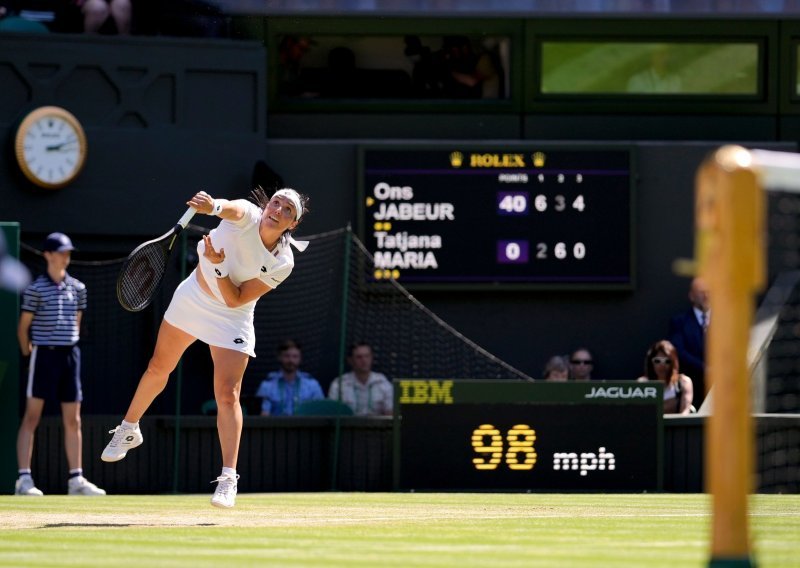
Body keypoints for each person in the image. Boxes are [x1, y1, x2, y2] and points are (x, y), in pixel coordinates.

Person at [100, 187, 309, 508]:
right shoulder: (246, 214)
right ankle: (129, 429)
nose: (278, 209)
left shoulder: (283, 261)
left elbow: (235, 298)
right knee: (158, 367)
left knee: (227, 395)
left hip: (233, 314)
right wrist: (212, 206)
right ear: (267, 206)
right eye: (276, 202)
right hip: (193, 298)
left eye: (287, 210)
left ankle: (228, 479)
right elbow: (229, 208)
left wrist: (219, 267)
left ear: (291, 224)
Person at [15, 232, 105, 496]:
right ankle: (24, 480)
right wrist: (29, 356)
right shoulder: (35, 290)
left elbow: (76, 322)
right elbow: (23, 330)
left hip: (70, 356)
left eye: (68, 252)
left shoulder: (78, 288)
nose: (66, 257)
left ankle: (76, 480)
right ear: (48, 255)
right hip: (43, 355)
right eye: (61, 252)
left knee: (73, 419)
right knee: (32, 417)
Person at [255, 339, 323, 416]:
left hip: (307, 427)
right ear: (279, 357)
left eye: (295, 356)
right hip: (275, 427)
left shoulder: (312, 385)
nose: (291, 360)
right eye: (287, 356)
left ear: (300, 358)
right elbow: (263, 416)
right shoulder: (267, 385)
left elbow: (320, 413)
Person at [668, 277, 709, 405]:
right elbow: (679, 351)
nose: (706, 296)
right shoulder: (679, 322)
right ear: (692, 296)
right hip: (692, 388)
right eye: (702, 292)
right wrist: (705, 368)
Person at [328, 342, 393, 416]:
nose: (364, 360)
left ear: (372, 358)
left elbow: (391, 413)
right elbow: (332, 414)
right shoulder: (339, 384)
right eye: (359, 357)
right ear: (350, 360)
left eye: (367, 356)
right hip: (347, 426)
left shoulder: (383, 383)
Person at [637, 339, 694, 415]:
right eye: (657, 361)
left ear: (673, 363)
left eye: (667, 361)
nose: (662, 365)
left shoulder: (684, 382)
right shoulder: (642, 384)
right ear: (651, 362)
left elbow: (685, 413)